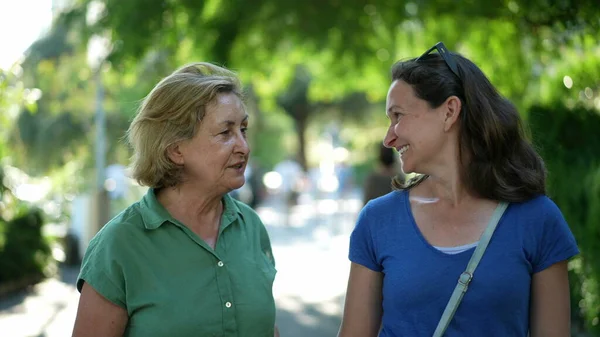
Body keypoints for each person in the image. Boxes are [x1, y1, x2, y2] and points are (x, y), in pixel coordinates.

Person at [338, 42, 579, 337]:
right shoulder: (377, 221)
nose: (388, 138)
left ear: (449, 111)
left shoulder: (538, 220)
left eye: (398, 116)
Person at [72, 62, 280, 337]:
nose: (244, 146)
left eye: (243, 129)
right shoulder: (119, 245)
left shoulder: (251, 226)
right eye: (225, 133)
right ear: (175, 150)